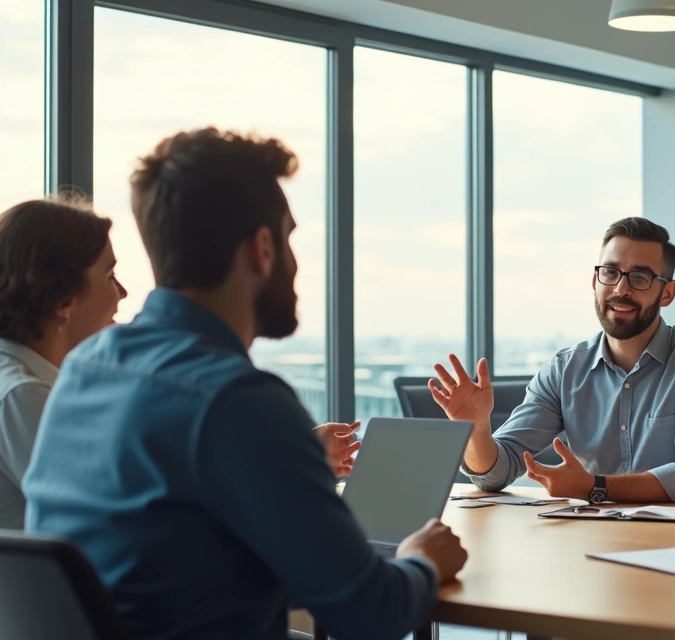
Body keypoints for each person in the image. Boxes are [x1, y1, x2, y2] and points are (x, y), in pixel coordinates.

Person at [23, 128, 466, 640]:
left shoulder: (86, 368)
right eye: (289, 237)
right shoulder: (238, 401)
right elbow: (370, 614)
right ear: (262, 247)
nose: (296, 262)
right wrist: (421, 561)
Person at [430, 217, 675, 503]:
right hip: (586, 538)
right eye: (611, 272)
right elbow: (497, 472)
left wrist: (595, 486)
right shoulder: (564, 370)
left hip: (674, 544)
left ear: (667, 293)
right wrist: (477, 430)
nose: (620, 289)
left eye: (640, 278)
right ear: (595, 280)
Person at [0, 196, 127, 530]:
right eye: (110, 275)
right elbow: (109, 518)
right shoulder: (22, 394)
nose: (123, 292)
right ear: (64, 298)